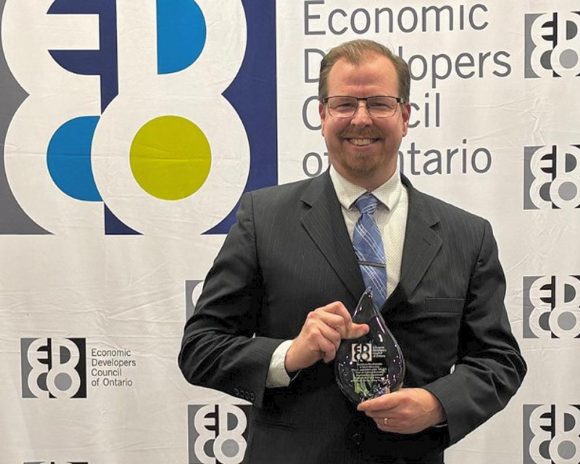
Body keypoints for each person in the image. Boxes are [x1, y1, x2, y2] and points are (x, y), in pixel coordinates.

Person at [179, 39, 526, 464]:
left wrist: (437, 404)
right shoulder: (263, 219)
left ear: (405, 116)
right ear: (323, 115)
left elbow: (499, 360)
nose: (361, 119)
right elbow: (200, 348)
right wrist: (287, 354)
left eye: (379, 103)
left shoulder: (467, 236)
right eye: (344, 104)